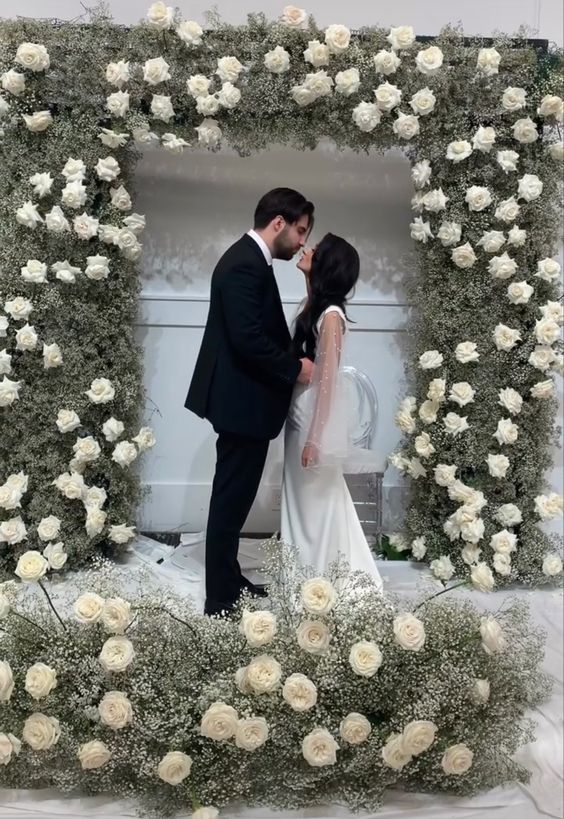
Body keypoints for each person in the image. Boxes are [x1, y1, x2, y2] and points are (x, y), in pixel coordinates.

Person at [185, 188, 315, 616]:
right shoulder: (244, 263)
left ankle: (227, 579)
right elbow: (248, 340)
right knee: (230, 499)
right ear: (277, 222)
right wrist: (295, 368)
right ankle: (220, 599)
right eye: (298, 230)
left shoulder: (249, 260)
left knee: (234, 498)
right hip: (241, 403)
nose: (300, 242)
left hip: (242, 401)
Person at [280, 233, 383, 589]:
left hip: (311, 417)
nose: (307, 250)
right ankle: (305, 572)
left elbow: (327, 383)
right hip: (299, 414)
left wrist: (314, 438)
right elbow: (312, 307)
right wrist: (308, 276)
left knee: (317, 499)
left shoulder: (333, 317)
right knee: (304, 497)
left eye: (316, 250)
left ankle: (323, 576)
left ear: (327, 264)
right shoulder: (321, 308)